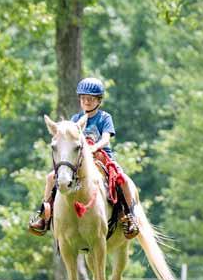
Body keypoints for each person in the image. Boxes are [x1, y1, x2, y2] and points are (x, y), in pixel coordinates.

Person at [28, 77, 140, 239]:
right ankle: (44, 215)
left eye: (91, 99)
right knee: (51, 177)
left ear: (99, 100)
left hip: (102, 156)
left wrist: (95, 147)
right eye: (83, 98)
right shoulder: (75, 119)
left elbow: (106, 138)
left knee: (124, 180)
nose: (86, 101)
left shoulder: (104, 118)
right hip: (79, 159)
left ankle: (130, 215)